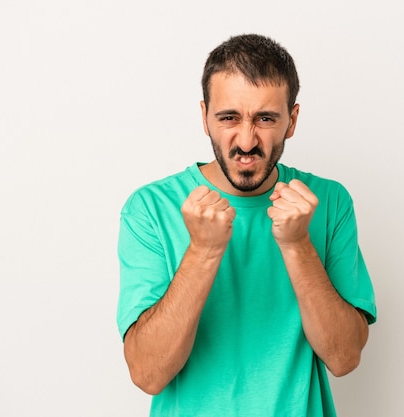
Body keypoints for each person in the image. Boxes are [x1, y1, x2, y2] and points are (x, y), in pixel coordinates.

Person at [116, 33, 377, 417]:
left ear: (292, 120)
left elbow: (343, 357)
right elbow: (148, 373)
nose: (247, 140)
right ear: (204, 117)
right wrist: (203, 251)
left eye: (266, 118)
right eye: (229, 118)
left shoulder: (329, 202)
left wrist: (297, 245)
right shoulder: (150, 208)